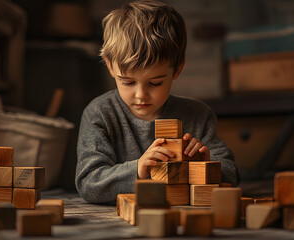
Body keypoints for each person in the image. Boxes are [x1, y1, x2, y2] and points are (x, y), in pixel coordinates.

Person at [75, 0, 239, 204]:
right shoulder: (100, 113)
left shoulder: (198, 115)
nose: (140, 95)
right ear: (110, 66)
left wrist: (204, 167)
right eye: (127, 82)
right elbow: (88, 183)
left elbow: (231, 174)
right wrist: (138, 169)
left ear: (177, 69)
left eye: (155, 83)